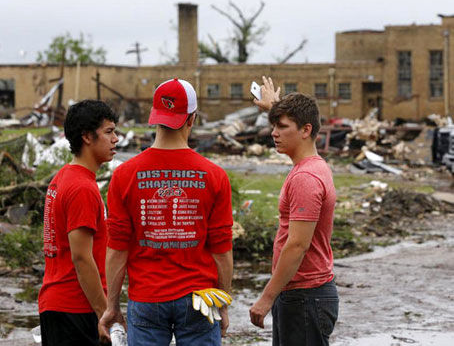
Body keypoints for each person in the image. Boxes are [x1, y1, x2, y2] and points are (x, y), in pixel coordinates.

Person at [99, 78, 234, 346]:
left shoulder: (125, 175)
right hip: (200, 299)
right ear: (192, 119)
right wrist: (223, 303)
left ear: (155, 118)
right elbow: (221, 250)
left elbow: (117, 249)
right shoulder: (214, 175)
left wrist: (112, 306)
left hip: (147, 297)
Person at [249, 76, 339, 345]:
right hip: (305, 294)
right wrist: (274, 107)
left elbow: (297, 244)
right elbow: (295, 119)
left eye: (282, 127)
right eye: (273, 125)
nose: (274, 133)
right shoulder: (314, 166)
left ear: (305, 130)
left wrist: (266, 297)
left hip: (304, 297)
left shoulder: (305, 179)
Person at [37, 100, 119, 346]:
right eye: (109, 132)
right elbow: (81, 257)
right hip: (75, 308)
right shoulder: (82, 188)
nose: (116, 139)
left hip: (58, 304)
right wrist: (104, 314)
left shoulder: (63, 177)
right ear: (86, 137)